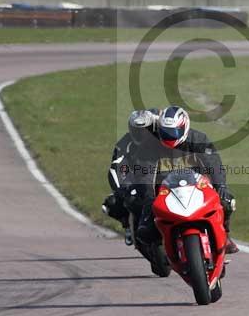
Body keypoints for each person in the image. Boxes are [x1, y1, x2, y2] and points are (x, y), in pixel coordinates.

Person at [137, 105, 239, 254]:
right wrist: (148, 198)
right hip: (166, 191)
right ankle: (159, 246)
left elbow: (214, 164)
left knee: (227, 202)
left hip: (198, 187)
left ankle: (225, 235)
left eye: (174, 132)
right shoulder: (150, 146)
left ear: (184, 127)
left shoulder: (199, 139)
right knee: (145, 232)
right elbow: (144, 174)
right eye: (165, 132)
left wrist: (221, 186)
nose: (170, 137)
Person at [102, 108, 160, 242]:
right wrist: (123, 190)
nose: (142, 134)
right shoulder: (124, 144)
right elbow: (116, 168)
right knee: (113, 202)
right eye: (138, 130)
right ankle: (128, 225)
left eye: (146, 129)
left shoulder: (162, 140)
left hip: (162, 180)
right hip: (137, 182)